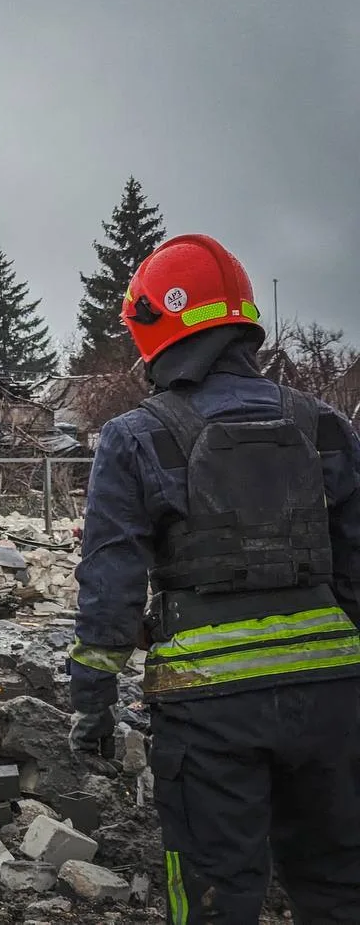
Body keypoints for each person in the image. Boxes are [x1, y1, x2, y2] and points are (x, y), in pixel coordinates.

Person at [65, 234, 360, 922]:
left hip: (208, 711)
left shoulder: (137, 435)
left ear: (154, 325)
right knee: (340, 882)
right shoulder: (324, 425)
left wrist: (92, 699)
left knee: (212, 893)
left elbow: (110, 578)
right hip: (333, 703)